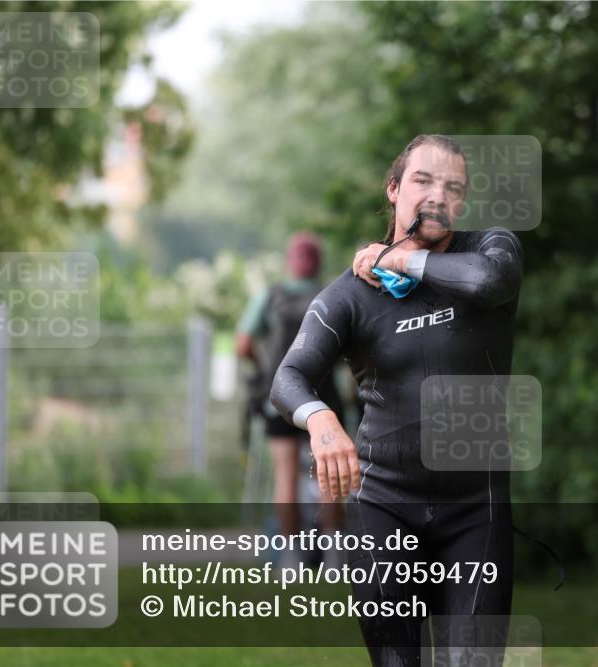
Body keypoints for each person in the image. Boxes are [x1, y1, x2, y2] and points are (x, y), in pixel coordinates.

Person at [271, 135, 523, 666]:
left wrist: (400, 261)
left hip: (476, 510)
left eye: (453, 187)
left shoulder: (490, 250)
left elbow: (490, 282)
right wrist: (320, 420)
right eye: (423, 180)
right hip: (383, 507)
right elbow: (289, 376)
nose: (438, 195)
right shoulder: (351, 294)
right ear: (393, 190)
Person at [236, 231, 346, 565]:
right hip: (323, 397)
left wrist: (266, 367)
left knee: (285, 476)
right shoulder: (332, 295)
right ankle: (334, 557)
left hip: (279, 398)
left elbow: (242, 344)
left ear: (290, 261)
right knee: (329, 476)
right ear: (319, 262)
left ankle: (291, 557)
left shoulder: (271, 296)